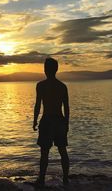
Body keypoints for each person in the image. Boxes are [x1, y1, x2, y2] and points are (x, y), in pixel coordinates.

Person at [33, 57, 70, 186]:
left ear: (46, 70)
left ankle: (41, 179)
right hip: (60, 120)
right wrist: (67, 123)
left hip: (47, 120)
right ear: (56, 69)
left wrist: (34, 121)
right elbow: (66, 107)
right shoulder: (62, 87)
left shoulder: (41, 86)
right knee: (62, 150)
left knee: (44, 152)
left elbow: (38, 105)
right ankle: (65, 179)